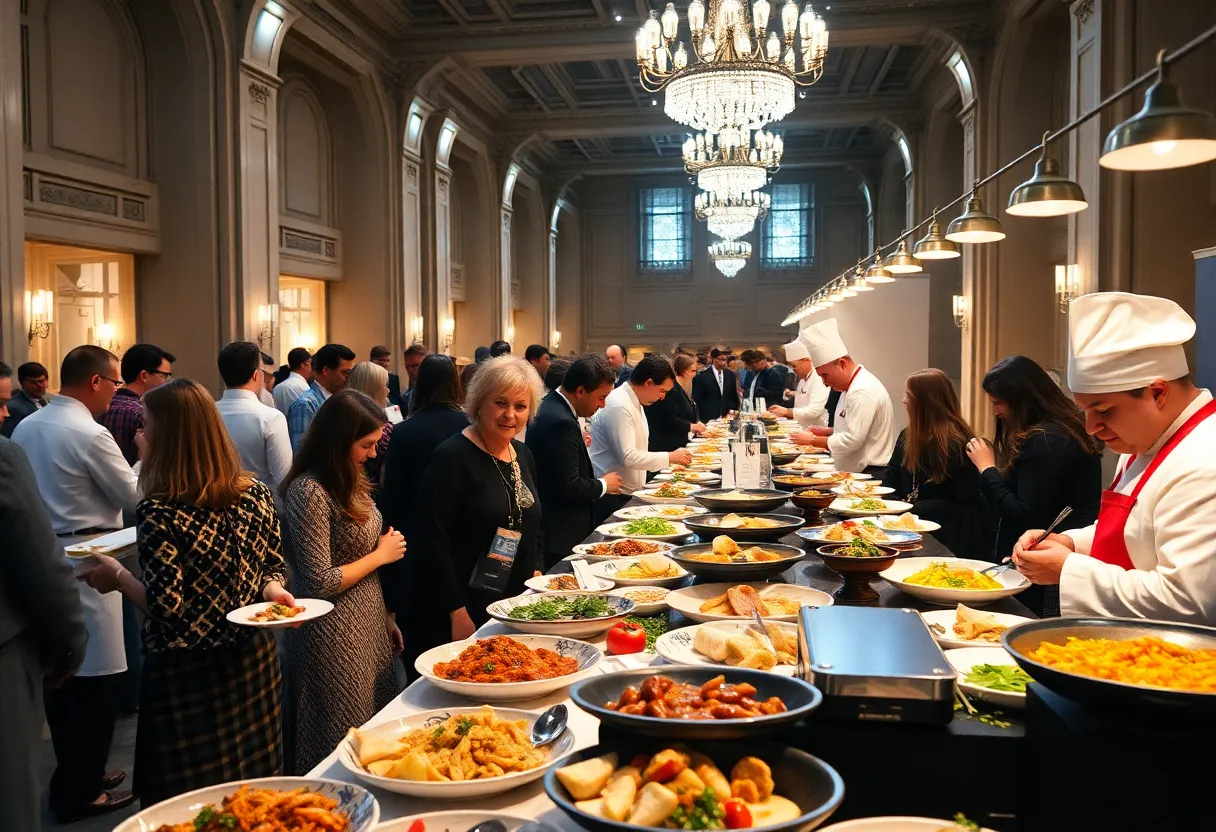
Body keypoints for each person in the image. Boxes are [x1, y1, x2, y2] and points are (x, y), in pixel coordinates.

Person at [76, 379, 292, 804]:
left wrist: (116, 576)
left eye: (146, 424)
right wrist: (271, 589)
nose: (140, 434)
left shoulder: (160, 510)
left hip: (187, 672)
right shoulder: (257, 495)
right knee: (254, 790)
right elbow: (272, 567)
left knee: (187, 801)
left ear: (170, 434)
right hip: (253, 660)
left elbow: (167, 608)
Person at [1010, 293, 1216, 623]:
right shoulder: (1145, 441)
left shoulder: (1205, 462)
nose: (1090, 428)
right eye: (1084, 410)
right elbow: (1136, 534)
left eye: (1103, 410)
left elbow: (1189, 604)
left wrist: (1069, 570)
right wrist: (1071, 542)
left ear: (1158, 393)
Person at [11, 345, 139, 821]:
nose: (115, 393)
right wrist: (145, 459)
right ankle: (80, 789)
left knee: (61, 677)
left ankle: (78, 771)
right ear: (95, 382)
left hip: (45, 552)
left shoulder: (28, 425)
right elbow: (134, 495)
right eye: (113, 384)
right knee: (99, 681)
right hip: (91, 557)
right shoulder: (90, 432)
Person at [280, 390, 404, 773]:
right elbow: (317, 580)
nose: (371, 454)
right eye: (365, 445)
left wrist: (387, 616)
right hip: (331, 631)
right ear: (338, 440)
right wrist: (380, 556)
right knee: (338, 736)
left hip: (365, 618)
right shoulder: (310, 490)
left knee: (374, 731)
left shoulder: (350, 476)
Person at [414, 357, 543, 653]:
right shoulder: (451, 458)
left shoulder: (522, 454)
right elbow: (432, 541)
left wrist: (536, 570)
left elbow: (534, 519)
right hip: (464, 607)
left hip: (516, 601)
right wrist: (456, 611)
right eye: (500, 403)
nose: (510, 415)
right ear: (479, 403)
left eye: (520, 406)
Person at [0, 409, 88, 832]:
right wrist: (69, 645)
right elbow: (41, 566)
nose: (5, 412)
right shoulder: (4, 455)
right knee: (11, 796)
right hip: (5, 654)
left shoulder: (22, 431)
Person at [966, 355, 1102, 612]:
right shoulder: (1063, 428)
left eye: (998, 403)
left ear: (1022, 399)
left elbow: (1022, 513)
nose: (995, 411)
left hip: (1046, 566)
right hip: (1057, 556)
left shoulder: (1045, 439)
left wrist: (987, 468)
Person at [380, 356, 469, 657]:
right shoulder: (468, 426)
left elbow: (392, 496)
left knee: (422, 635)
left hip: (414, 542)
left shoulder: (404, 431)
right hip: (461, 539)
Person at [881, 370, 991, 557]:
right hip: (911, 526)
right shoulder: (907, 435)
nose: (904, 401)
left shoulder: (958, 442)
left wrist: (911, 508)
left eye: (908, 395)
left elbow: (964, 498)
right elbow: (891, 478)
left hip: (950, 533)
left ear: (925, 402)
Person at [528, 355, 623, 569]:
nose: (603, 404)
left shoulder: (552, 405)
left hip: (557, 526)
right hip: (560, 531)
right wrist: (605, 484)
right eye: (601, 397)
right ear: (580, 391)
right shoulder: (560, 422)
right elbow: (569, 486)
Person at [794, 318, 896, 476]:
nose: (824, 382)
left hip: (869, 472)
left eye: (825, 375)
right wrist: (829, 431)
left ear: (842, 363)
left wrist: (811, 441)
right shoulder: (849, 387)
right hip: (856, 470)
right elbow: (854, 427)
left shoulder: (862, 390)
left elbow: (853, 440)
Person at [590, 354, 692, 496]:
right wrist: (669, 458)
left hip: (629, 490)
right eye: (662, 391)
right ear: (648, 383)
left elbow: (639, 449)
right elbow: (628, 457)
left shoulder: (634, 400)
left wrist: (667, 462)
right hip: (613, 494)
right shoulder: (620, 404)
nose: (662, 397)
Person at [215, 341, 292, 491]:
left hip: (214, 505)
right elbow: (283, 477)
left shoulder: (206, 413)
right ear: (257, 375)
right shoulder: (271, 418)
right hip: (259, 508)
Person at [101, 343, 175, 466]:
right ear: (143, 375)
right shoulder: (148, 414)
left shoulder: (102, 407)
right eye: (165, 376)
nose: (168, 382)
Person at [287, 343, 356, 451]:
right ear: (326, 371)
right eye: (345, 373)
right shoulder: (306, 404)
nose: (348, 378)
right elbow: (302, 453)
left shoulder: (342, 399)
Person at [347, 361, 394, 491]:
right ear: (373, 388)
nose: (388, 390)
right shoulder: (383, 429)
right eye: (385, 385)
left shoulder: (341, 418)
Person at [646, 354, 705, 452]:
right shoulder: (672, 389)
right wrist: (691, 426)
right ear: (684, 371)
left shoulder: (682, 387)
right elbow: (669, 418)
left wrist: (696, 422)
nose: (695, 374)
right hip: (668, 444)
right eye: (693, 371)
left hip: (679, 441)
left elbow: (687, 411)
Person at [768, 336, 829, 427]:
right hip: (801, 428)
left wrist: (787, 412)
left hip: (816, 431)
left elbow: (814, 410)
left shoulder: (818, 378)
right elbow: (804, 397)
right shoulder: (803, 380)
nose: (793, 370)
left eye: (794, 366)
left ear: (806, 361)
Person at [1, 360, 50, 438]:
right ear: (22, 383)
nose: (41, 386)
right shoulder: (14, 407)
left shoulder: (46, 400)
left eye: (43, 381)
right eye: (35, 382)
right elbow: (8, 438)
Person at [692, 348, 741, 420]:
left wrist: (735, 412)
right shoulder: (701, 376)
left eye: (725, 360)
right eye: (721, 359)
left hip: (727, 418)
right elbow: (696, 399)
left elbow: (734, 396)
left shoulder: (730, 375)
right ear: (713, 359)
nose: (724, 363)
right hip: (708, 418)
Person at [274, 347, 313, 414]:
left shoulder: (277, 388)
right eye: (310, 362)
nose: (311, 367)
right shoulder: (303, 388)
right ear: (303, 364)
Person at [397, 343, 428, 411]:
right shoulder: (406, 397)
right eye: (407, 366)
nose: (410, 370)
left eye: (415, 365)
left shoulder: (438, 393)